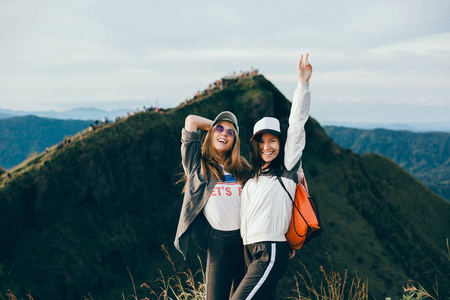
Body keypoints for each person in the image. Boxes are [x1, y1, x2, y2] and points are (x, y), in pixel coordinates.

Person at [232, 53, 313, 300]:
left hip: (270, 251)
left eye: (273, 141)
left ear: (280, 142)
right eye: (262, 142)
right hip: (250, 250)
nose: (267, 147)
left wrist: (303, 84)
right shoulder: (253, 177)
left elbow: (297, 125)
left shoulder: (286, 169)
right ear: (255, 146)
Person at [174, 111, 251, 300]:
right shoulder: (197, 165)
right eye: (220, 129)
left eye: (230, 133)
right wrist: (216, 128)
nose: (224, 134)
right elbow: (191, 121)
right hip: (219, 244)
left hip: (246, 242)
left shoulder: (244, 169)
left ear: (235, 141)